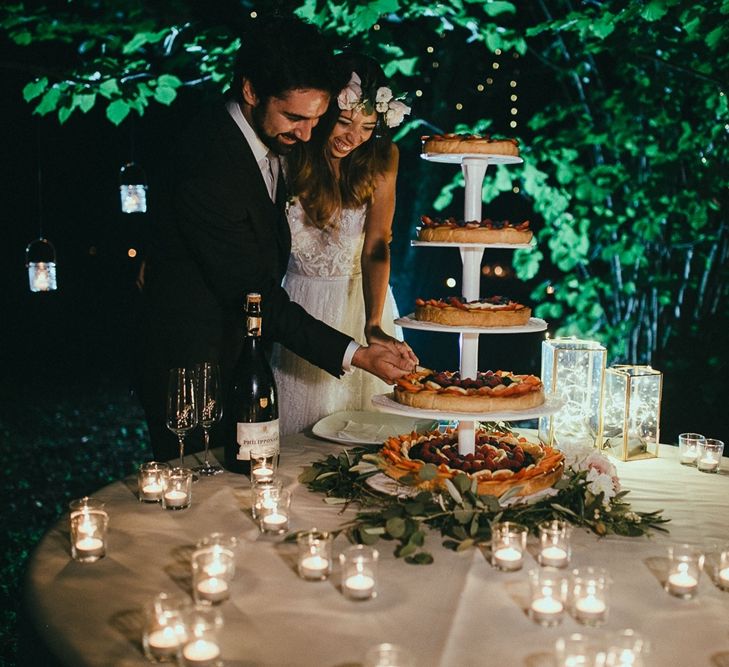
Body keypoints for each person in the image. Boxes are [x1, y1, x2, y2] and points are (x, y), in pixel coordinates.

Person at [137, 17, 417, 462]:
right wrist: (357, 357)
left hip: (252, 345)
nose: (308, 134)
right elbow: (253, 291)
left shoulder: (273, 141)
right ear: (251, 91)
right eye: (296, 117)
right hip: (196, 366)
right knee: (200, 490)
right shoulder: (211, 165)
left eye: (316, 119)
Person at [272, 54, 412, 435]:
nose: (354, 137)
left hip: (362, 303)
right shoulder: (287, 156)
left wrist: (373, 324)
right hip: (300, 308)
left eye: (368, 126)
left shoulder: (382, 157)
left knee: (365, 439)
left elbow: (378, 244)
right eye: (345, 121)